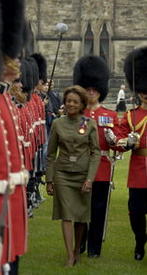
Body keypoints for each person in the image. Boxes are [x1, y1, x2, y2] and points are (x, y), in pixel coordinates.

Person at [46, 85, 100, 267]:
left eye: (75, 102)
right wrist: (49, 179)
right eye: (68, 101)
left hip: (83, 174)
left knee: (81, 216)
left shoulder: (90, 124)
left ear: (82, 104)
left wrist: (90, 179)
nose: (71, 104)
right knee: (67, 215)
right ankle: (70, 255)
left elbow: (95, 153)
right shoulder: (57, 124)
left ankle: (77, 249)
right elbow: (51, 154)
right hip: (62, 174)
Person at [73, 55, 121, 258]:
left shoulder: (109, 115)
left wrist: (115, 141)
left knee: (98, 210)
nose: (91, 92)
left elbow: (118, 144)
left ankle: (94, 249)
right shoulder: (75, 115)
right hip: (81, 167)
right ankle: (79, 244)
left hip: (101, 167)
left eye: (94, 89)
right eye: (88, 89)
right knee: (79, 210)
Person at [115, 46, 147, 261]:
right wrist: (124, 142)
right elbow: (120, 139)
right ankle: (139, 240)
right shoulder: (131, 116)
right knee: (135, 212)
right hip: (138, 170)